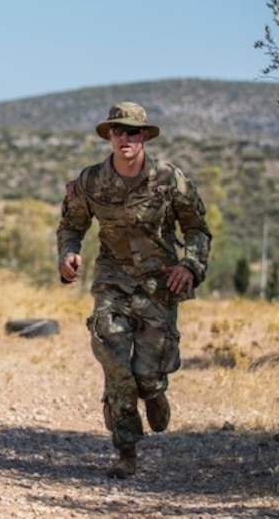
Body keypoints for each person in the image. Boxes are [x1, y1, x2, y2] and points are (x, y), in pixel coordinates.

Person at [57, 102, 212, 478]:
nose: (124, 138)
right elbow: (71, 226)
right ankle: (126, 452)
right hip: (112, 280)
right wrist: (69, 255)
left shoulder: (169, 179)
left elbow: (197, 230)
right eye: (117, 131)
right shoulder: (91, 181)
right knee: (115, 363)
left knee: (145, 373)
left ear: (144, 135)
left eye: (132, 131)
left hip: (159, 283)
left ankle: (155, 391)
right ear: (109, 136)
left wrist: (189, 265)